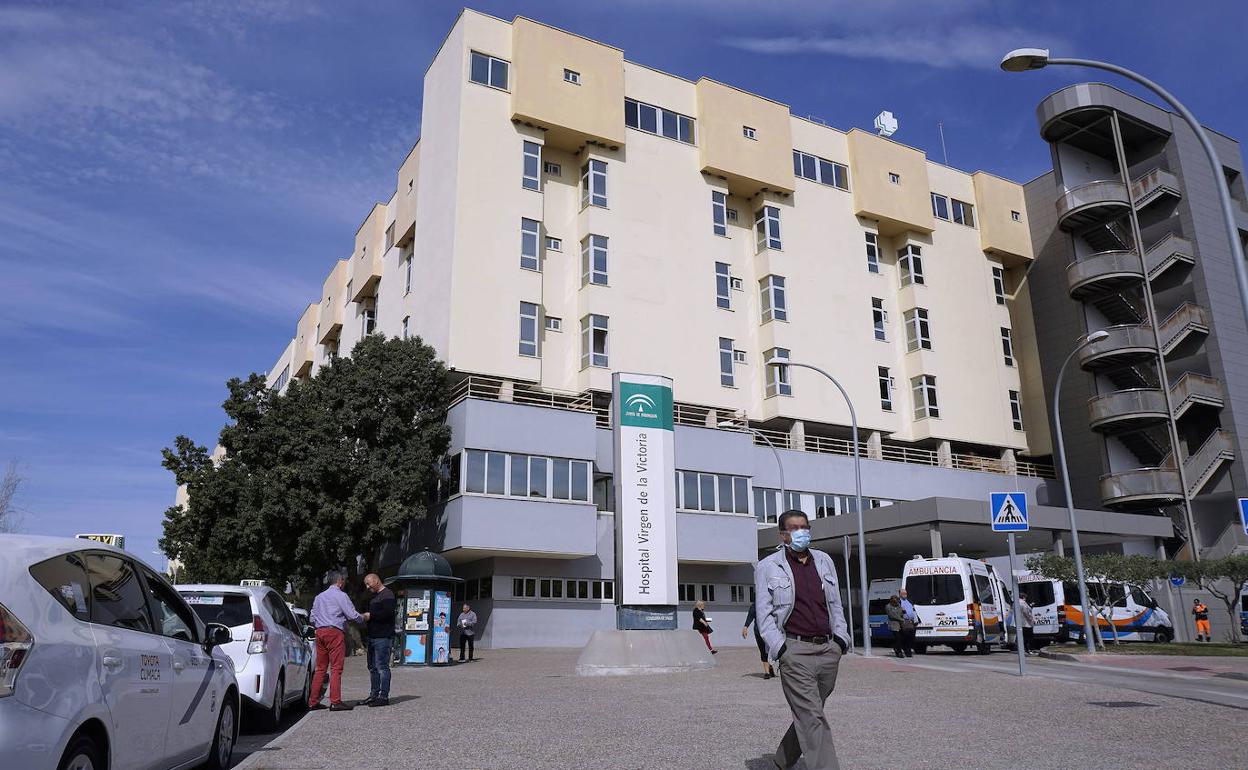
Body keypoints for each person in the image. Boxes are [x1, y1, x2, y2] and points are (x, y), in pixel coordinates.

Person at [756, 510, 850, 770]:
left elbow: (835, 604)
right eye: (795, 528)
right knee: (811, 716)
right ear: (783, 534)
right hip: (795, 650)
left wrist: (841, 640)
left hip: (828, 648)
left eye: (805, 527)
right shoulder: (768, 566)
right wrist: (781, 648)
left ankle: (783, 760)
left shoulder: (824, 561)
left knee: (811, 712)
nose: (801, 532)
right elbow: (764, 615)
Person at [308, 570, 365, 711]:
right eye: (344, 581)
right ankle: (335, 701)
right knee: (336, 668)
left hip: (320, 632)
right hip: (334, 632)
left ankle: (313, 701)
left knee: (320, 668)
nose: (344, 583)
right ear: (340, 581)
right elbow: (352, 614)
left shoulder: (319, 597)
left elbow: (312, 618)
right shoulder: (341, 596)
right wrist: (363, 618)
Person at [360, 573, 396, 707]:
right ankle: (374, 695)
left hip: (383, 637)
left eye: (369, 583)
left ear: (376, 580)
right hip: (373, 636)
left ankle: (383, 696)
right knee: (372, 667)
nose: (367, 586)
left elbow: (388, 613)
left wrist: (371, 615)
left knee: (382, 667)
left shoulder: (387, 594)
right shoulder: (374, 597)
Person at [743, 603, 775, 679]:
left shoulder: (770, 604)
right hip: (758, 632)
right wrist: (745, 627)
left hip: (769, 631)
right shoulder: (754, 605)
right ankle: (767, 672)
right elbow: (750, 616)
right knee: (763, 650)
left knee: (770, 650)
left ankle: (770, 665)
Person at [897, 588, 918, 657]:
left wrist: (916, 619)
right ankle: (907, 651)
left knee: (912, 637)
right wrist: (901, 611)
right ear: (900, 594)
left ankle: (907, 649)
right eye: (903, 594)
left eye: (905, 593)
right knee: (905, 637)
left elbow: (914, 610)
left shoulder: (909, 601)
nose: (905, 595)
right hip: (904, 622)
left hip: (911, 622)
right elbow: (896, 611)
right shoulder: (898, 602)